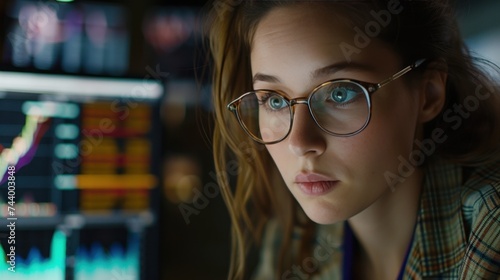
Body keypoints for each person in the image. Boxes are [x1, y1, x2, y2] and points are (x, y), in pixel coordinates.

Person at [204, 0, 500, 279]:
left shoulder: (490, 231)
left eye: (340, 93)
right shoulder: (296, 238)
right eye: (274, 100)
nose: (299, 142)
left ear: (428, 94)